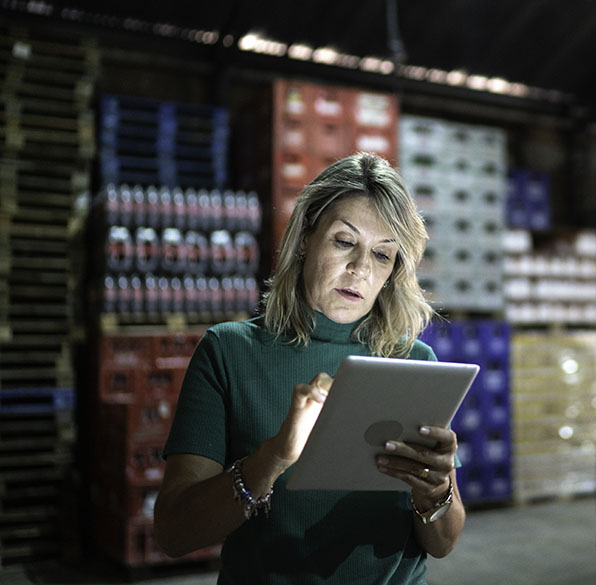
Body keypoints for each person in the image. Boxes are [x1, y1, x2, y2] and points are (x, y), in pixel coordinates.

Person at [154, 152, 464, 584]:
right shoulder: (228, 351)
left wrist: (436, 492)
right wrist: (273, 457)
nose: (359, 268)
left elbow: (444, 544)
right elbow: (173, 532)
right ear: (305, 238)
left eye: (382, 255)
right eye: (344, 241)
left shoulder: (414, 363)